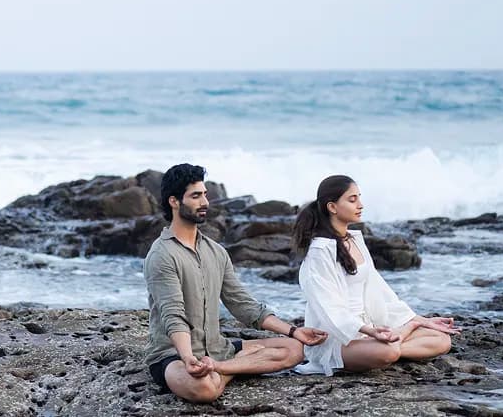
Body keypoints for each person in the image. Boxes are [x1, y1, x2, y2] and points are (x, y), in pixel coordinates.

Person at [145, 163, 329, 403]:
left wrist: (294, 331)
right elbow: (173, 315)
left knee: (295, 349)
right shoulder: (162, 255)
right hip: (173, 354)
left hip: (217, 349)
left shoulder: (216, 251)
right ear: (174, 201)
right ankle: (233, 368)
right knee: (204, 389)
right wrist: (189, 358)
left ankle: (220, 369)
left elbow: (242, 304)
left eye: (205, 195)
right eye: (196, 196)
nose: (205, 202)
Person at [292, 175, 459, 375]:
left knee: (441, 340)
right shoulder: (319, 252)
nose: (360, 205)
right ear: (332, 207)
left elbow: (379, 290)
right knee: (387, 352)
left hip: (371, 330)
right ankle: (392, 345)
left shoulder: (354, 240)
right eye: (352, 200)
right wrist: (368, 331)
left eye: (359, 197)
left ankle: (394, 343)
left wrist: (420, 319)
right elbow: (329, 308)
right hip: (338, 339)